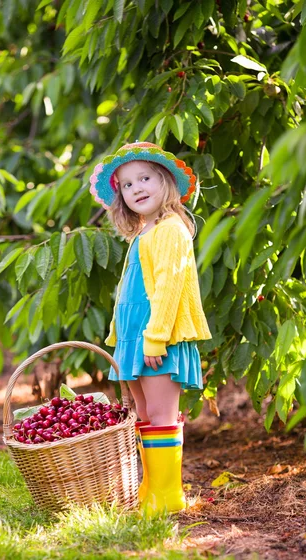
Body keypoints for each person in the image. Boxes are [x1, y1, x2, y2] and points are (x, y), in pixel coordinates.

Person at [89, 141, 211, 515]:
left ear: (166, 183)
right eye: (127, 185)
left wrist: (155, 340)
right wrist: (120, 338)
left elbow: (170, 288)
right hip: (137, 338)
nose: (136, 188)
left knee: (160, 415)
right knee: (143, 417)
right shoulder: (145, 231)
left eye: (145, 179)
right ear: (121, 197)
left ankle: (167, 497)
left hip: (158, 338)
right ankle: (152, 490)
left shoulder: (171, 229)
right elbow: (132, 290)